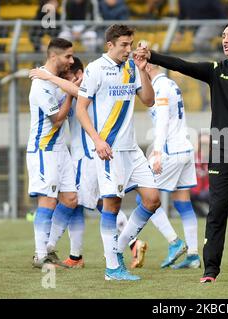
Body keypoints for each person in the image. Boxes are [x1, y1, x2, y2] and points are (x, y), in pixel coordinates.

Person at [135, 23, 228, 283]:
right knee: (216, 212)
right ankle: (210, 271)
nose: (225, 40)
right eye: (223, 36)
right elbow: (183, 65)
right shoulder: (216, 71)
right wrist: (152, 57)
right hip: (223, 151)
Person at [29, 57, 148, 269]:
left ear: (78, 75)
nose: (65, 81)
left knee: (76, 203)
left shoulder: (86, 88)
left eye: (68, 77)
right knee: (99, 203)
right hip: (90, 155)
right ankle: (83, 255)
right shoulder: (83, 89)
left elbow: (75, 91)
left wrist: (48, 77)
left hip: (87, 156)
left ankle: (58, 251)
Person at [76, 24, 159, 281]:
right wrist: (98, 140)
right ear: (109, 45)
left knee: (153, 199)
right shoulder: (95, 69)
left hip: (131, 148)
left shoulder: (132, 67)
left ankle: (117, 251)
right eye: (123, 44)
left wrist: (143, 71)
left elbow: (148, 100)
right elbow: (81, 110)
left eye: (130, 44)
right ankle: (113, 269)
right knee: (112, 205)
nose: (128, 49)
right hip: (108, 149)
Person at [143, 62, 201, 269]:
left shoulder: (160, 87)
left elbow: (162, 122)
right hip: (184, 149)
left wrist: (157, 151)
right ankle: (193, 255)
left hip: (171, 151)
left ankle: (174, 242)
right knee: (182, 202)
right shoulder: (171, 84)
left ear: (148, 67)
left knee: (146, 195)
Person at [26, 38, 78, 269]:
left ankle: (49, 248)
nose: (72, 60)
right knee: (47, 200)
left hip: (60, 149)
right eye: (67, 56)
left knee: (70, 199)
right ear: (54, 56)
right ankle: (40, 255)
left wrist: (67, 86)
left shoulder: (55, 80)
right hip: (43, 149)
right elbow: (56, 120)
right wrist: (68, 94)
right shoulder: (40, 84)